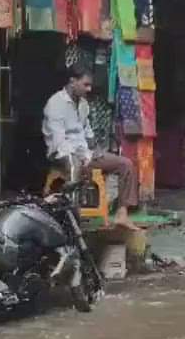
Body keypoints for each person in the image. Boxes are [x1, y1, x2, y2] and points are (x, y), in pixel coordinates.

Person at [43, 63, 139, 230]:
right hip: (63, 154)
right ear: (73, 81)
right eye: (85, 84)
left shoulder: (83, 105)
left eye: (90, 85)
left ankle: (122, 214)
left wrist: (96, 151)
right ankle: (70, 221)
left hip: (84, 153)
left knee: (126, 164)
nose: (89, 89)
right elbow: (59, 143)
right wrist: (83, 157)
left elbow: (87, 133)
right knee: (74, 166)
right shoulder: (55, 103)